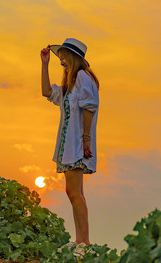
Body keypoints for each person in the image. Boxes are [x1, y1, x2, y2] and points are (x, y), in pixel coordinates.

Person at [40, 38, 100, 258]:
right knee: (74, 192)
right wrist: (44, 64)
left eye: (63, 56)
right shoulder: (70, 84)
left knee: (75, 192)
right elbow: (47, 92)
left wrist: (85, 139)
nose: (61, 61)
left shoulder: (83, 78)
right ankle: (80, 240)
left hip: (77, 144)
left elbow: (89, 107)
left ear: (74, 57)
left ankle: (84, 241)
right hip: (68, 145)